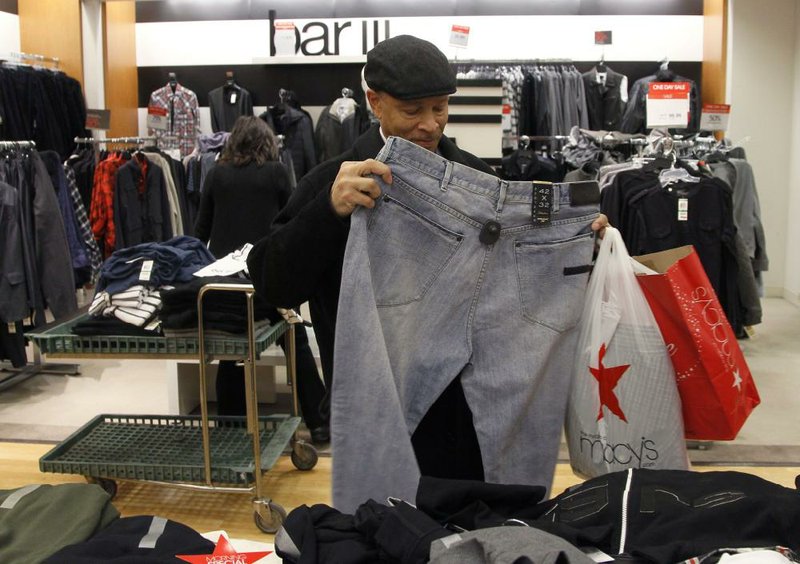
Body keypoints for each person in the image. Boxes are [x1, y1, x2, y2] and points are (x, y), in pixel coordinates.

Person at [247, 35, 609, 480]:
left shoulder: (478, 180)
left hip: (468, 418)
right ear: (374, 102)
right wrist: (327, 211)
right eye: (413, 111)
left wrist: (575, 246)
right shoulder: (334, 181)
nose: (430, 124)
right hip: (374, 418)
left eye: (440, 108)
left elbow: (512, 293)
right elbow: (272, 282)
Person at [194, 115, 329, 444]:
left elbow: (200, 231)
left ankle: (232, 427)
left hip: (227, 280)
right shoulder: (276, 173)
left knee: (232, 352)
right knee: (294, 342)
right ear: (266, 142)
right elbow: (292, 224)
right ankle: (320, 422)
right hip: (268, 273)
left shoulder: (215, 174)